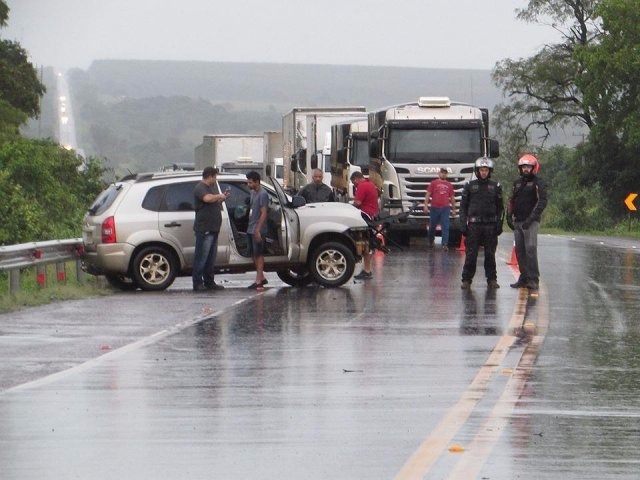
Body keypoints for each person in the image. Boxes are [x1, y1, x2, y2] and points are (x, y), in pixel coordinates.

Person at [459, 157, 504, 289]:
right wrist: (463, 224)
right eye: (481, 170)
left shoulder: (496, 186)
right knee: (471, 254)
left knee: (490, 254)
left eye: (486, 170)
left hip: (490, 225)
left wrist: (499, 224)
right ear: (477, 171)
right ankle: (466, 279)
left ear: (490, 171)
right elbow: (463, 207)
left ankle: (492, 279)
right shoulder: (469, 186)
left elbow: (500, 208)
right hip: (474, 225)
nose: (483, 172)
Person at [507, 154, 548, 291]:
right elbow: (511, 200)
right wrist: (508, 215)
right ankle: (523, 277)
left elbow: (542, 202)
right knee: (520, 251)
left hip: (531, 222)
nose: (526, 169)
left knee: (530, 249)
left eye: (528, 167)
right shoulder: (517, 183)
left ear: (534, 168)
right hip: (518, 221)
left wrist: (530, 219)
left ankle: (533, 279)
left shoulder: (538, 183)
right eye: (523, 167)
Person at [192, 166, 230, 291]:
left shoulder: (211, 188)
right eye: (215, 177)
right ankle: (197, 283)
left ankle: (209, 281)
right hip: (205, 229)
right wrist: (219, 196)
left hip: (213, 228)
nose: (215, 179)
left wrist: (221, 197)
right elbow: (207, 198)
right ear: (210, 176)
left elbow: (212, 201)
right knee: (201, 257)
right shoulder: (200, 188)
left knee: (210, 258)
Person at [350, 171, 379, 280]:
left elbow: (357, 203)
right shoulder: (371, 184)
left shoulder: (362, 186)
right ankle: (367, 269)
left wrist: (349, 209)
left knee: (365, 244)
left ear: (356, 179)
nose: (355, 185)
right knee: (368, 244)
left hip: (365, 217)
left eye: (354, 183)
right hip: (372, 215)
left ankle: (367, 270)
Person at [246, 170, 270, 289]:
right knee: (253, 254)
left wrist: (258, 230)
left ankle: (259, 280)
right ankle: (261, 276)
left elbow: (264, 213)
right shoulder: (252, 193)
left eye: (250, 182)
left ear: (257, 182)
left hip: (257, 229)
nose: (249, 185)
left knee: (259, 254)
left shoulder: (263, 194)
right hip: (251, 228)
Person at [424, 167, 456, 251]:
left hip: (445, 208)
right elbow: (428, 195)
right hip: (434, 207)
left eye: (445, 173)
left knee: (445, 226)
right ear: (439, 174)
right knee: (432, 226)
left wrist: (454, 209)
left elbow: (452, 197)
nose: (443, 174)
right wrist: (426, 205)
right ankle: (431, 241)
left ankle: (444, 244)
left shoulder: (449, 185)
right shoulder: (433, 183)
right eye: (442, 172)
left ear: (447, 174)